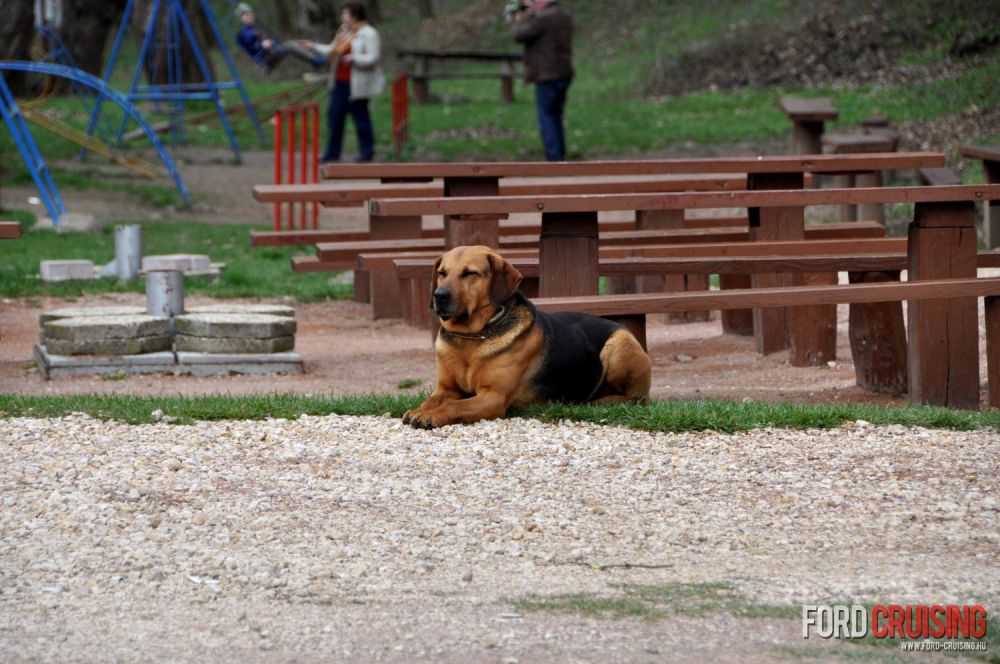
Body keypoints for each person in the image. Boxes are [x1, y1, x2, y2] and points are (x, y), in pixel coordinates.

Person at [307, 2, 385, 163]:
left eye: (345, 14)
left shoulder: (369, 33)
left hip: (358, 84)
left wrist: (354, 58)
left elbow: (373, 57)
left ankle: (366, 152)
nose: (343, 17)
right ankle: (332, 152)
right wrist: (313, 46)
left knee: (360, 118)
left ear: (354, 16)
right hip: (340, 82)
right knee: (334, 117)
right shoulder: (345, 32)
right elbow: (332, 49)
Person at [511, 0, 574, 161]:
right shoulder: (565, 15)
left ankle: (554, 158)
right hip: (564, 72)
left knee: (546, 117)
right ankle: (559, 154)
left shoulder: (544, 18)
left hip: (547, 75)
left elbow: (519, 36)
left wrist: (518, 20)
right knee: (556, 116)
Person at [234, 3, 326, 73]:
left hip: (273, 51)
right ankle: (315, 61)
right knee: (290, 46)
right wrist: (261, 46)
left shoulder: (257, 27)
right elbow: (251, 47)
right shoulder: (243, 33)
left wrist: (272, 43)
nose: (249, 16)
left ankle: (315, 60)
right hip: (265, 57)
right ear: (240, 19)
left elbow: (271, 39)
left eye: (250, 13)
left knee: (296, 43)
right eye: (245, 15)